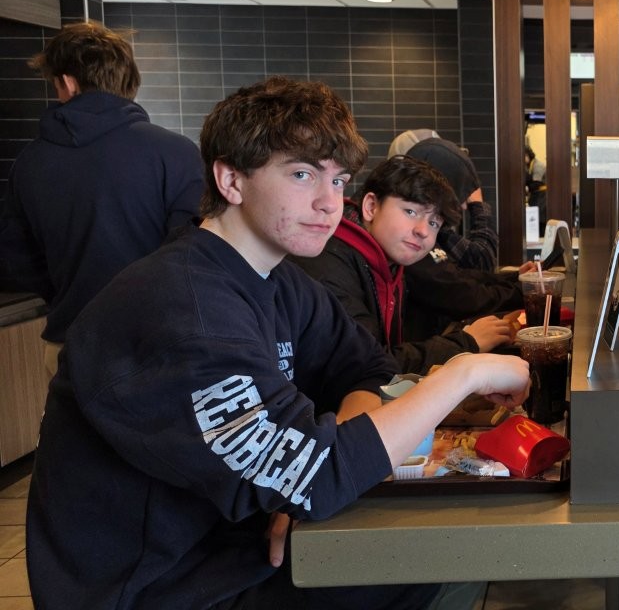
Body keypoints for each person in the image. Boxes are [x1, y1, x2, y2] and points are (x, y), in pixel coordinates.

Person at [25, 77, 530, 610]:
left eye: (338, 180)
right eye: (301, 174)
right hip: (163, 586)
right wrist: (465, 372)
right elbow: (319, 472)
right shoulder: (186, 311)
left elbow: (365, 369)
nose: (328, 203)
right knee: (425, 560)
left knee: (422, 553)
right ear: (231, 180)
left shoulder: (279, 279)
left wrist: (301, 480)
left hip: (237, 543)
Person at [0, 21, 203, 378]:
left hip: (73, 343)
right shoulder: (176, 153)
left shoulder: (29, 162)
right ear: (130, 82)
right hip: (165, 345)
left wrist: (68, 291)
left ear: (67, 83)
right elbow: (199, 252)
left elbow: (17, 259)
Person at [290, 155, 516, 372]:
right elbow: (366, 365)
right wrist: (466, 343)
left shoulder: (389, 262)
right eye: (410, 211)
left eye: (434, 223)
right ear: (371, 206)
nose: (423, 231)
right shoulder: (329, 262)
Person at [406, 137, 498, 272]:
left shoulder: (431, 227)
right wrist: (477, 204)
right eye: (461, 193)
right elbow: (482, 261)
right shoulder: (429, 233)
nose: (464, 206)